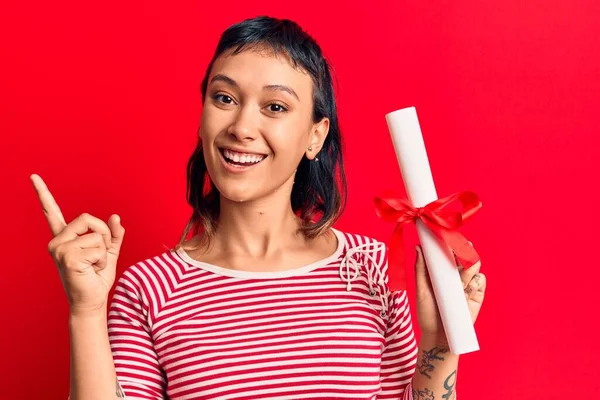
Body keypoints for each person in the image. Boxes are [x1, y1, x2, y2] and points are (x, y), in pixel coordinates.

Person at [31, 15, 486, 400]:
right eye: (224, 98)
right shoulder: (149, 290)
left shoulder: (368, 269)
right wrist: (87, 312)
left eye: (274, 106)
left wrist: (441, 344)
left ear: (315, 136)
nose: (242, 126)